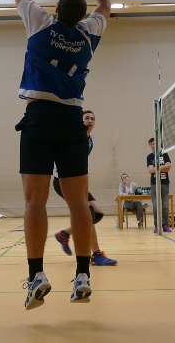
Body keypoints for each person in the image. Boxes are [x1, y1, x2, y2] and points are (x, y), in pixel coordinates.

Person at [12, 0, 110, 310]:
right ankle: (82, 274)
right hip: (72, 119)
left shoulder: (39, 23)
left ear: (55, 9)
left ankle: (37, 275)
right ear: (81, 15)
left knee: (34, 203)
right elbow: (106, 4)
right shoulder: (88, 35)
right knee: (79, 205)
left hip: (39, 118)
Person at [53, 111, 117, 265]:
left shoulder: (90, 139)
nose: (90, 121)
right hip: (64, 181)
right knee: (88, 215)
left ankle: (65, 234)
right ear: (80, 121)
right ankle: (96, 255)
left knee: (97, 214)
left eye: (92, 118)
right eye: (86, 118)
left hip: (77, 181)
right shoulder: (75, 135)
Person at [147, 137, 172, 233]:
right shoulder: (149, 157)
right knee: (155, 205)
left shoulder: (164, 154)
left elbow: (169, 167)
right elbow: (151, 170)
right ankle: (157, 225)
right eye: (151, 144)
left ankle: (165, 224)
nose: (153, 146)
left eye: (154, 144)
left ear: (158, 144)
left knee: (165, 204)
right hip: (154, 183)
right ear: (150, 146)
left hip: (165, 182)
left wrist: (156, 168)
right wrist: (163, 167)